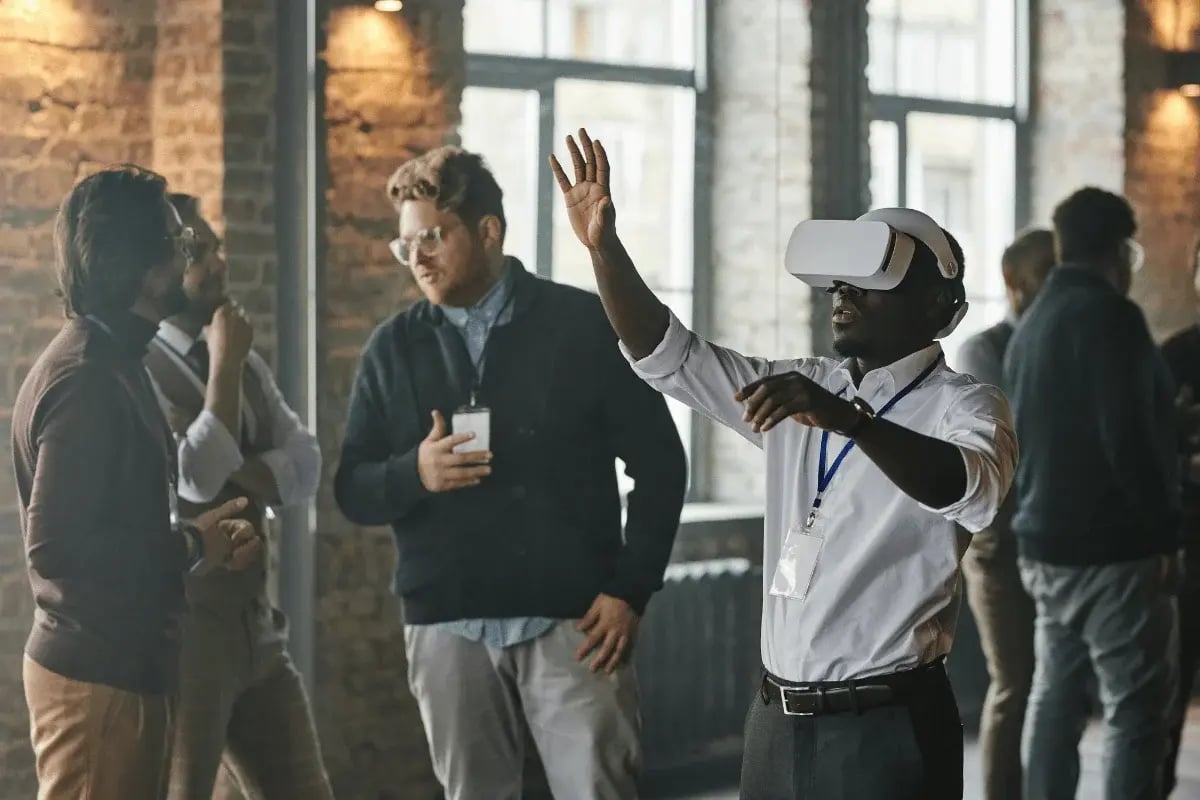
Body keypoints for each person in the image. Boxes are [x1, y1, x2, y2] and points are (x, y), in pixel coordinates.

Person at [549, 130, 1016, 799]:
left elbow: (970, 490)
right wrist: (604, 250)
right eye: (839, 281)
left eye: (870, 281)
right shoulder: (804, 384)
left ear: (940, 306)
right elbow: (670, 356)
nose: (843, 293)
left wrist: (848, 420)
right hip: (775, 720)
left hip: (887, 724)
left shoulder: (965, 404)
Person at [334, 146, 687, 800]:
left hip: (577, 625)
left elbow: (661, 464)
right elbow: (351, 488)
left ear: (489, 230)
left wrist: (631, 589)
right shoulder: (392, 347)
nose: (417, 257)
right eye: (405, 244)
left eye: (432, 237)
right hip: (445, 628)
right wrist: (415, 473)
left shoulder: (584, 325)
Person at [11, 167, 261, 800]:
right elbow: (58, 551)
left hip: (123, 668)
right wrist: (192, 545)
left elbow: (114, 522)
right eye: (180, 242)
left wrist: (196, 542)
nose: (190, 255)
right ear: (143, 266)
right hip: (99, 674)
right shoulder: (87, 378)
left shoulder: (114, 358)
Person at [142, 194, 333, 800]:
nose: (218, 264)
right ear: (165, 266)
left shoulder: (248, 363)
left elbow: (306, 466)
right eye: (200, 252)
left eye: (216, 248)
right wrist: (224, 365)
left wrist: (237, 466)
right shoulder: (143, 367)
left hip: (258, 624)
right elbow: (196, 478)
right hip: (189, 635)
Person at [1004, 187, 1180, 800]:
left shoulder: (1032, 323)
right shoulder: (1113, 317)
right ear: (1119, 251)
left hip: (1043, 543)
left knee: (1054, 698)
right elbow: (1128, 438)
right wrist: (1165, 537)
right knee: (1135, 711)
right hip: (1113, 547)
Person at [957, 227, 1055, 800]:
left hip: (1051, 540)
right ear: (1013, 280)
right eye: (1047, 273)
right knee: (1014, 682)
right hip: (999, 546)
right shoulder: (984, 350)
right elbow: (1021, 442)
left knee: (1052, 686)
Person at [1158, 236, 1200, 798]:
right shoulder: (1177, 354)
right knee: (1174, 672)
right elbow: (1152, 444)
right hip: (1190, 532)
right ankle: (1160, 783)